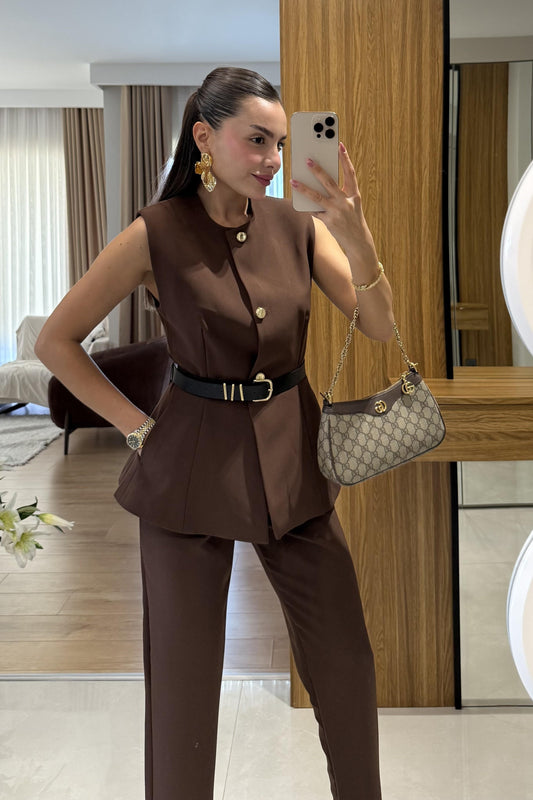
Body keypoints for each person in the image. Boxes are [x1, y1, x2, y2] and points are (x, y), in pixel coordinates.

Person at [35, 67, 394, 800]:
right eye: (256, 140)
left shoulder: (299, 225)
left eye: (281, 144)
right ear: (204, 137)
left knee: (345, 663)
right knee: (183, 684)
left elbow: (380, 326)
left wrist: (355, 231)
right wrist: (137, 427)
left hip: (295, 466)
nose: (272, 159)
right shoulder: (156, 233)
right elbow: (56, 342)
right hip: (186, 472)